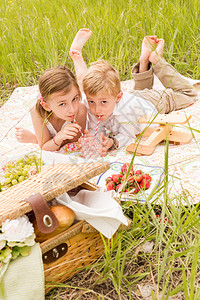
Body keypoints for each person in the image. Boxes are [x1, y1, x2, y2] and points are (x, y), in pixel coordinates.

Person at [70, 32, 197, 156]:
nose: (96, 109)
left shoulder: (126, 111)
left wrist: (112, 142)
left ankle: (157, 60)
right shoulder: (94, 101)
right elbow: (95, 129)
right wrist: (95, 140)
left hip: (150, 102)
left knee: (189, 93)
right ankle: (144, 61)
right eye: (91, 102)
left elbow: (128, 136)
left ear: (118, 97)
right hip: (134, 98)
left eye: (103, 102)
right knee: (139, 92)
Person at [15, 29, 94, 151]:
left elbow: (73, 142)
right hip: (48, 119)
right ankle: (35, 138)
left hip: (74, 94)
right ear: (46, 106)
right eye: (62, 104)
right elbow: (45, 147)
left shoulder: (80, 110)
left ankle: (76, 55)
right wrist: (58, 137)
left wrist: (56, 139)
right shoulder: (37, 111)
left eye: (74, 99)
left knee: (87, 86)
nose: (72, 109)